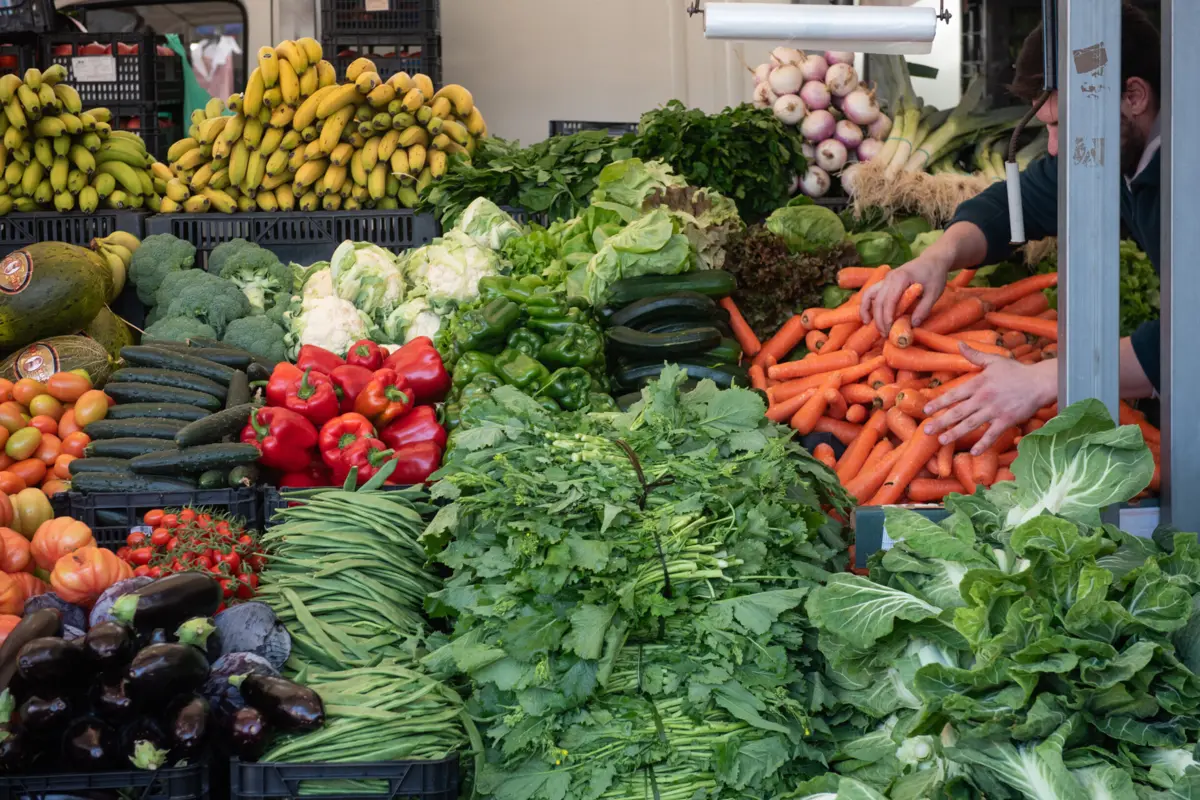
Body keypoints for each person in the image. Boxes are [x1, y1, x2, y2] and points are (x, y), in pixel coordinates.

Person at [859, 2, 1162, 455]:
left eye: (1066, 125)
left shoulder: (1186, 177)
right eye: (1047, 126)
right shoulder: (1106, 155)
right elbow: (1009, 205)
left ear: (1133, 97)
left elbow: (1188, 336)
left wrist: (1046, 379)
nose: (1055, 147)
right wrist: (937, 257)